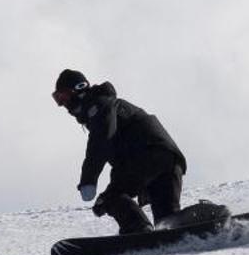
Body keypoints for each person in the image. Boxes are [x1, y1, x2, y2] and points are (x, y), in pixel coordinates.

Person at [52, 68, 186, 234]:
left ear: (78, 89)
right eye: (57, 99)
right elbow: (121, 163)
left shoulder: (100, 106)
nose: (63, 104)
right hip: (167, 160)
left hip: (148, 156)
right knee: (168, 223)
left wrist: (89, 180)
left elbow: (100, 142)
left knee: (112, 197)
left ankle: (138, 229)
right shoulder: (107, 107)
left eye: (63, 96)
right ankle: (208, 219)